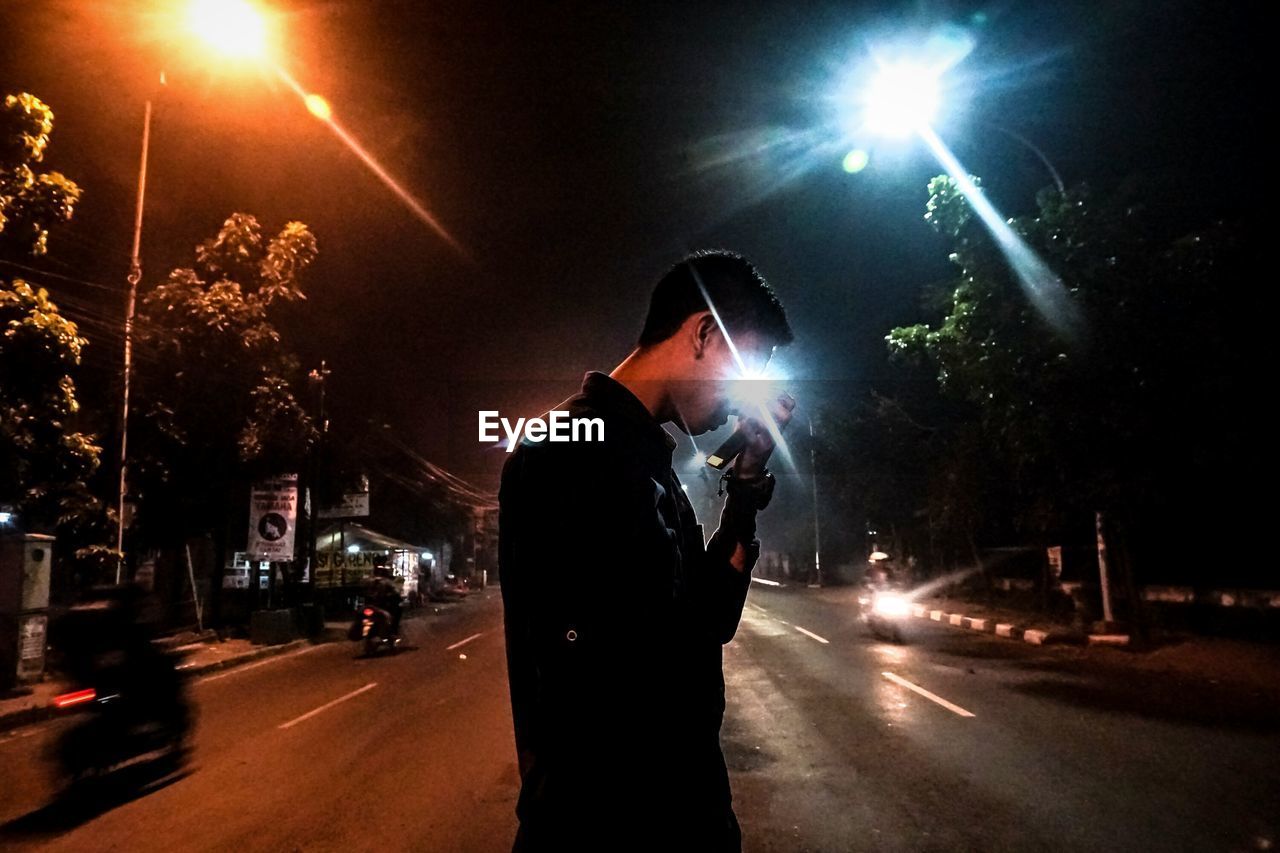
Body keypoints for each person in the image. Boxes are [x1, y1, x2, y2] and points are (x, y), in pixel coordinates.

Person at [499, 250, 795, 851]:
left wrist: (745, 483)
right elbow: (593, 687)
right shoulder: (568, 448)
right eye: (745, 370)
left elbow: (708, 619)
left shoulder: (647, 460)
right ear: (703, 332)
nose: (739, 403)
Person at [364, 564, 402, 637]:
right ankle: (393, 632)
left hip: (370, 604)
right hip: (382, 605)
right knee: (397, 613)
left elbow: (363, 589)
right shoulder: (387, 582)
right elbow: (396, 592)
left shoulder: (369, 580)